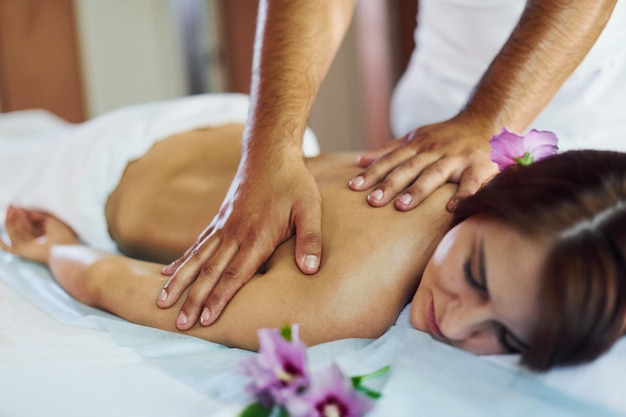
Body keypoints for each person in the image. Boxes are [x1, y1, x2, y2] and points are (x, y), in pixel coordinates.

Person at [1, 99, 626, 371]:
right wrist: (54, 244)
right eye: (476, 275)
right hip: (102, 184)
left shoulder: (453, 168)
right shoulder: (342, 300)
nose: (459, 327)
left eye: (507, 336)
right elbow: (114, 282)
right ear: (497, 192)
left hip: (227, 124)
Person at [161, 0, 626, 331]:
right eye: (473, 274)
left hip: (575, 137)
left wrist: (487, 119)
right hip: (429, 115)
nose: (455, 325)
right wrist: (270, 152)